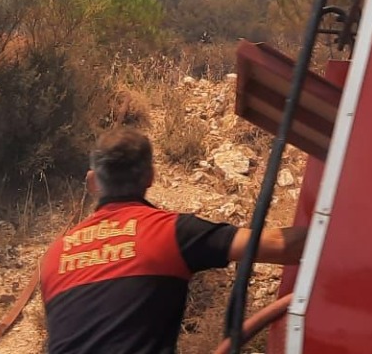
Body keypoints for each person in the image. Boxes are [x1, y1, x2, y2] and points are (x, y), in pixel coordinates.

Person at [40, 127, 306, 354]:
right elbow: (282, 246)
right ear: (151, 177)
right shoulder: (170, 232)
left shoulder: (54, 257)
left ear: (92, 181)